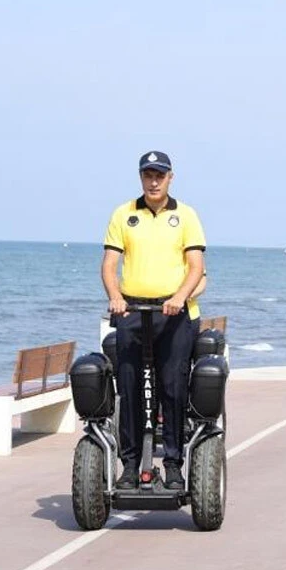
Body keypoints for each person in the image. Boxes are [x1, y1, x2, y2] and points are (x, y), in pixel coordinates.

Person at [102, 151, 206, 489]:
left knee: (173, 387)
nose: (154, 181)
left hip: (174, 314)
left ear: (170, 177)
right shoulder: (123, 214)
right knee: (129, 387)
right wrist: (116, 298)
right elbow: (109, 265)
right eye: (148, 174)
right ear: (141, 177)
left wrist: (178, 298)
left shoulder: (186, 215)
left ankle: (173, 464)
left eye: (160, 175)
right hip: (133, 313)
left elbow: (195, 267)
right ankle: (130, 466)